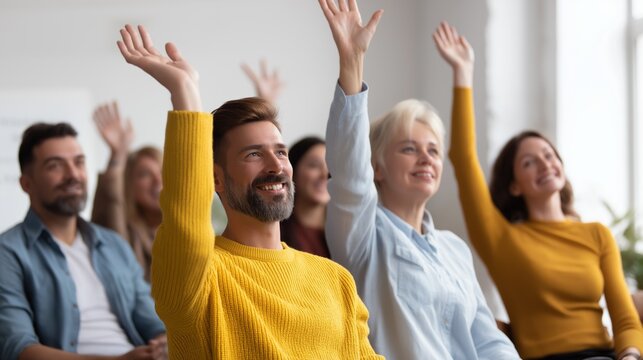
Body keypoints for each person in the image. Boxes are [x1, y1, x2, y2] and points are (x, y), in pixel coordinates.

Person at [116, 24, 382, 359]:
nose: (276, 165)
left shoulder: (335, 280)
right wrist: (185, 91)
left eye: (281, 152)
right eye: (253, 154)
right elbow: (186, 220)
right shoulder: (199, 278)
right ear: (215, 178)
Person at [319, 1, 519, 358]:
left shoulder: (453, 248)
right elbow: (350, 175)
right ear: (376, 167)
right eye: (409, 149)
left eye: (433, 150)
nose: (426, 157)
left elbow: (488, 340)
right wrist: (351, 63)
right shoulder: (364, 235)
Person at [439, 18, 643, 360]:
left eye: (549, 155)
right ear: (514, 186)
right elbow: (462, 157)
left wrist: (630, 357)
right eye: (530, 162)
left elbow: (624, 318)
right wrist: (463, 73)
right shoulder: (501, 238)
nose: (545, 163)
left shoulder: (596, 235)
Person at [0, 122, 166, 360]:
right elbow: (18, 349)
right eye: (55, 166)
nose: (73, 175)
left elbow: (154, 323)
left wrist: (163, 344)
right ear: (27, 184)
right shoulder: (8, 252)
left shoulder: (114, 245)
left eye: (79, 162)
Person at [242, 62, 331, 257]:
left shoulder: (343, 232)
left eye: (330, 167)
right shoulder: (274, 229)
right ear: (292, 170)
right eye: (314, 165)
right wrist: (264, 103)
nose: (325, 174)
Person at [91, 101, 162, 281]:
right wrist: (118, 153)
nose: (158, 181)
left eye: (163, 172)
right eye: (145, 174)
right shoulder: (125, 230)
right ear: (129, 185)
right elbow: (111, 201)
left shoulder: (186, 228)